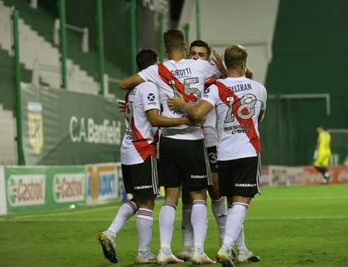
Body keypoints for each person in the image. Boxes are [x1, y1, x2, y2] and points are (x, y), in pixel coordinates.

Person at [119, 30, 224, 264]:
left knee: (170, 197)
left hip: (168, 140)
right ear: (185, 46)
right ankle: (197, 250)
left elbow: (124, 83)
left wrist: (135, 97)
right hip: (194, 139)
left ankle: (164, 250)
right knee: (198, 195)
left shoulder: (157, 69)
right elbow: (224, 76)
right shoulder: (201, 66)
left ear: (165, 49)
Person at [168, 44, 267, 267]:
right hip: (247, 150)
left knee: (230, 202)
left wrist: (183, 104)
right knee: (241, 202)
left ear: (225, 64)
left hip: (223, 152)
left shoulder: (216, 87)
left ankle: (240, 250)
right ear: (244, 63)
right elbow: (258, 118)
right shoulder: (259, 89)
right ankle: (225, 248)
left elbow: (196, 113)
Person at [98, 49, 198, 264]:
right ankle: (142, 253)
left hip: (129, 149)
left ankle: (111, 233)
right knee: (148, 202)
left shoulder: (133, 90)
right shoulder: (149, 86)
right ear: (154, 65)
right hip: (143, 149)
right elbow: (154, 119)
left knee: (140, 199)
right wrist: (185, 121)